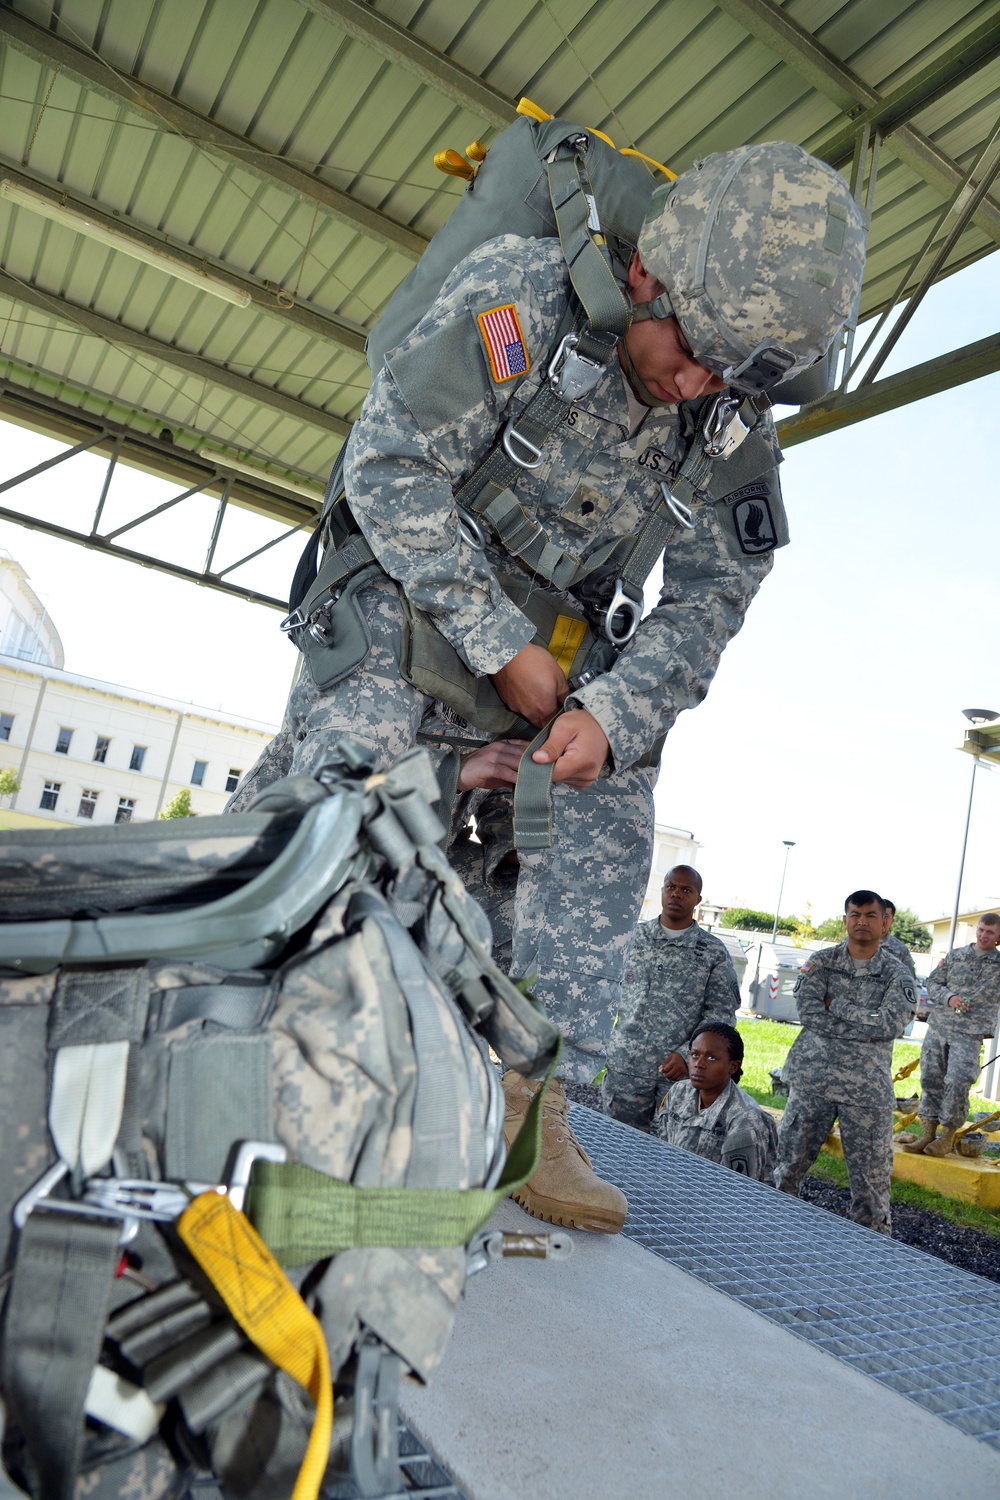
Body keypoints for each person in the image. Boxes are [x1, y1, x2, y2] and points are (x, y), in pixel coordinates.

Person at [231, 141, 865, 1234]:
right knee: (352, 793)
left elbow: (717, 593)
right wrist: (496, 646)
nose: (701, 385)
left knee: (616, 793)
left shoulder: (726, 414)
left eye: (733, 374)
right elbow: (385, 466)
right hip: (408, 599)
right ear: (644, 278)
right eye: (695, 353)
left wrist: (608, 719)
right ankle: (281, 1061)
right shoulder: (520, 297)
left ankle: (531, 1094)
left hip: (557, 658)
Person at [774, 890, 915, 1235]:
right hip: (812, 1081)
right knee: (786, 1168)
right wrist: (865, 1024)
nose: (861, 922)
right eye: (855, 914)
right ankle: (770, 1230)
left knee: (871, 1186)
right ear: (845, 920)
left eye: (870, 915)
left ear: (885, 923)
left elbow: (891, 1024)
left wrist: (835, 1005)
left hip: (865, 1090)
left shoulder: (898, 974)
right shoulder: (821, 962)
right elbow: (808, 1012)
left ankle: (871, 1256)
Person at [601, 865, 741, 1128]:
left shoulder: (712, 952)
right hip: (626, 1070)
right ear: (663, 891)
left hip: (679, 1076)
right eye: (671, 887)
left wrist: (687, 1056)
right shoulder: (631, 938)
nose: (676, 894)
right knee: (615, 1148)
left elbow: (721, 1015)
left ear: (698, 899)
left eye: (686, 890)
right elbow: (604, 993)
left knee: (671, 1157)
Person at [903, 913, 1000, 1157]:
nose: (983, 935)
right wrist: (949, 997)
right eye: (981, 930)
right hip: (940, 1027)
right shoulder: (956, 955)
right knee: (931, 1079)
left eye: (990, 932)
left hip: (970, 1033)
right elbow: (933, 983)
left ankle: (946, 1137)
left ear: (999, 937)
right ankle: (927, 1134)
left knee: (957, 1081)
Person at [654, 1023, 777, 1183]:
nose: (699, 1064)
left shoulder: (746, 1118)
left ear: (733, 1066)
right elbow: (661, 1147)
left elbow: (740, 1188)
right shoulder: (679, 1092)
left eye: (711, 1058)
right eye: (694, 1055)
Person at [881, 899, 917, 977]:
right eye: (879, 915)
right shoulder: (855, 943)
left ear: (892, 921)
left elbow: (910, 980)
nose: (882, 920)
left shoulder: (901, 950)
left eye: (886, 916)